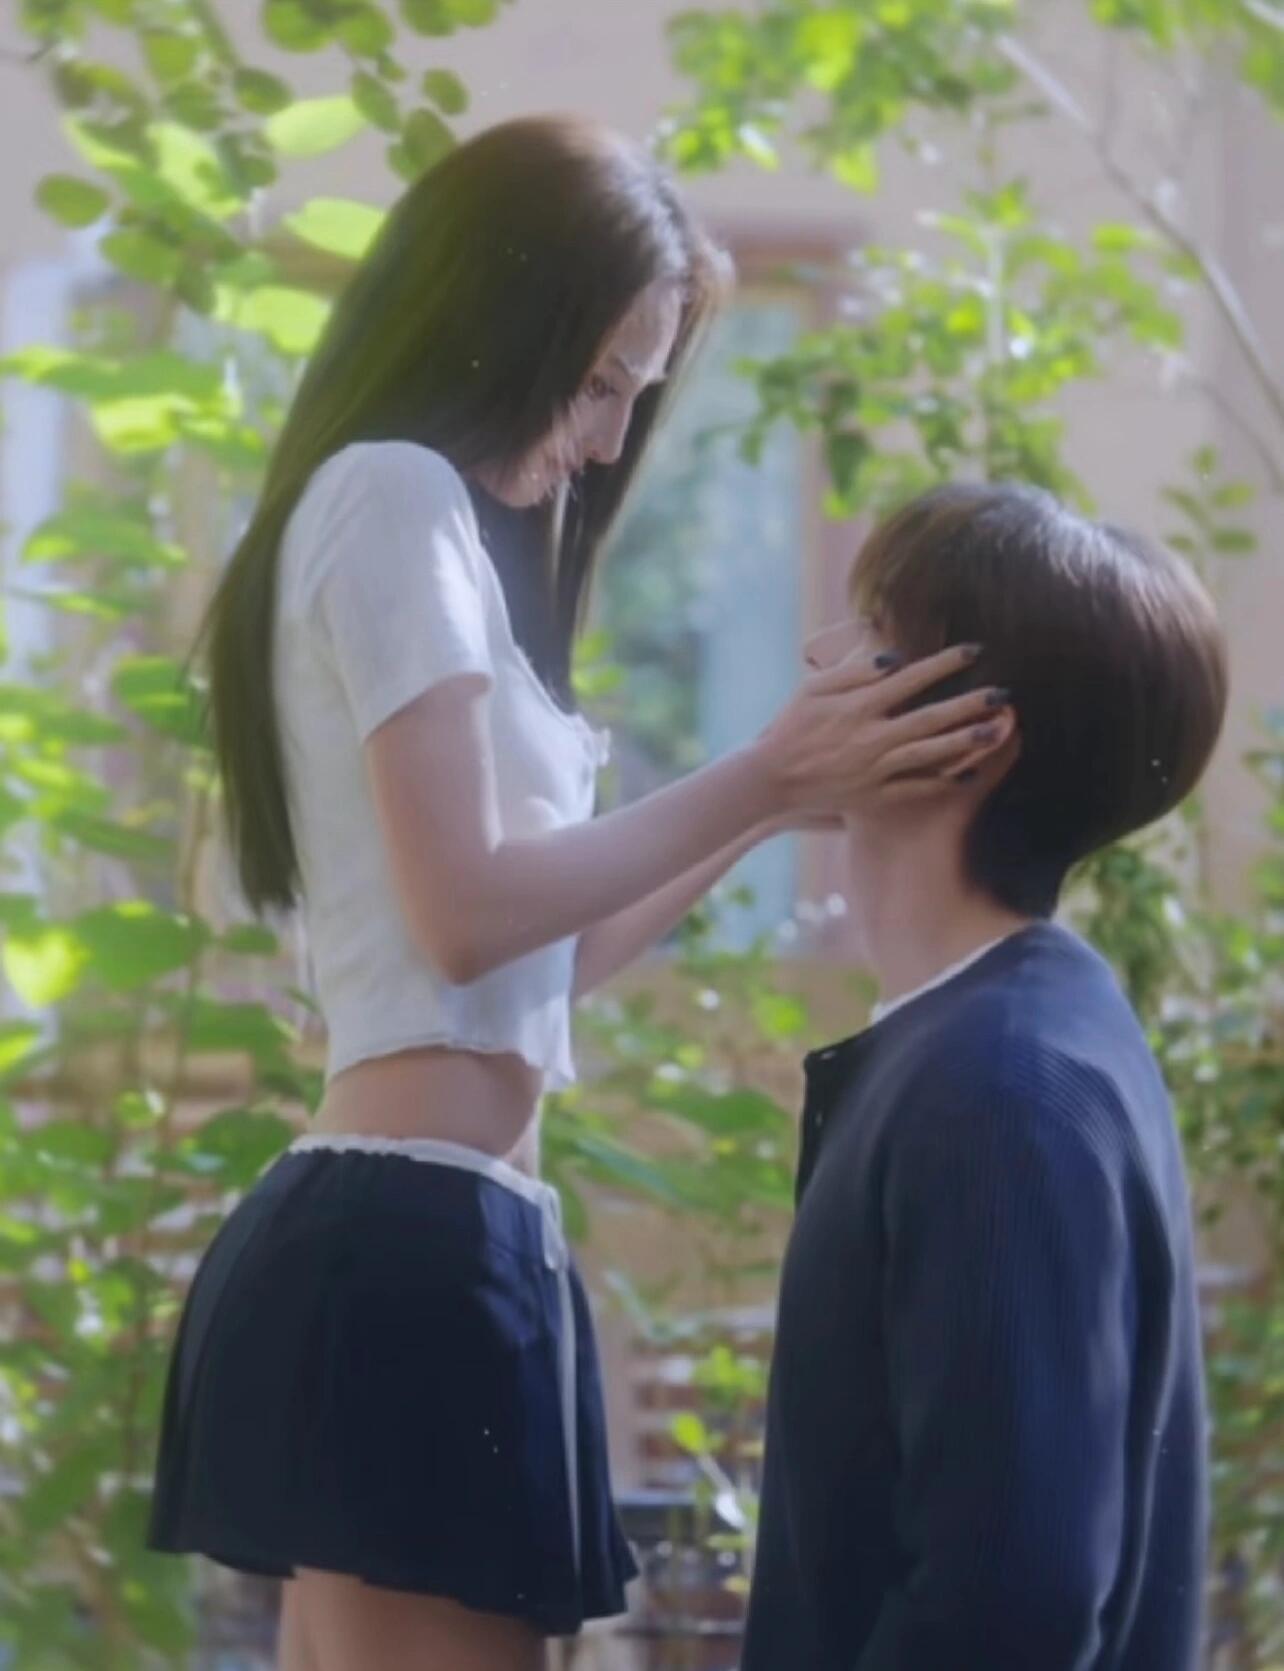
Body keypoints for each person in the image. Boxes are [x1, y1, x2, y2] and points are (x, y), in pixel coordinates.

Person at [144, 117, 1009, 1671]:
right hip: (407, 1234)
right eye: (601, 380)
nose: (610, 439)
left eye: (636, 395)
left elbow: (542, 958)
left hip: (445, 1226)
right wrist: (759, 770)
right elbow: (467, 909)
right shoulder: (393, 495)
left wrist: (777, 799)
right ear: (497, 313)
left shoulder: (439, 534)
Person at [741, 481, 1228, 1671]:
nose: (819, 664)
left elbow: (1013, 1598)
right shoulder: (997, 1040)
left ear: (972, 732)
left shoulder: (1003, 1088)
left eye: (870, 638)